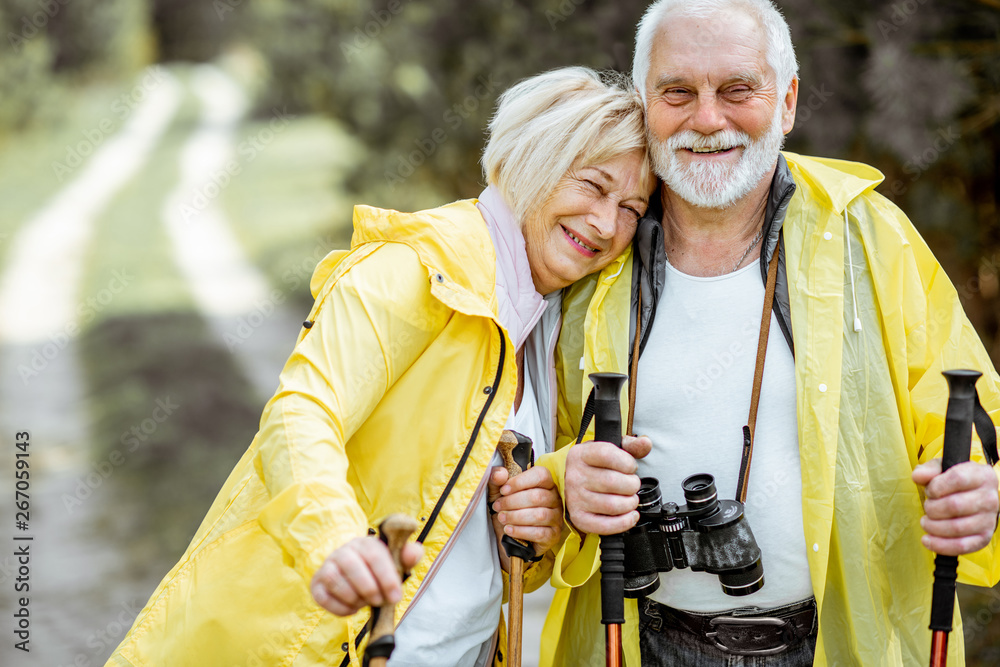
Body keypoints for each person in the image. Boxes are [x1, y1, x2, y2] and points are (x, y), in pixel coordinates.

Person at [105, 66, 654, 667]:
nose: (607, 225)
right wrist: (333, 544)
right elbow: (302, 414)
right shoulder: (413, 268)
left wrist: (545, 507)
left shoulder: (547, 320)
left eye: (631, 207)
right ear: (531, 162)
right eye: (593, 186)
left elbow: (465, 519)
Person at [535, 2, 1000, 666]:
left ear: (787, 102)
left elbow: (979, 426)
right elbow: (528, 469)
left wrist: (983, 492)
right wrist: (562, 483)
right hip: (636, 645)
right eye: (677, 92)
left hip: (842, 647)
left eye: (736, 90)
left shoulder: (873, 237)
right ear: (644, 107)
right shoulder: (594, 257)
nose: (707, 119)